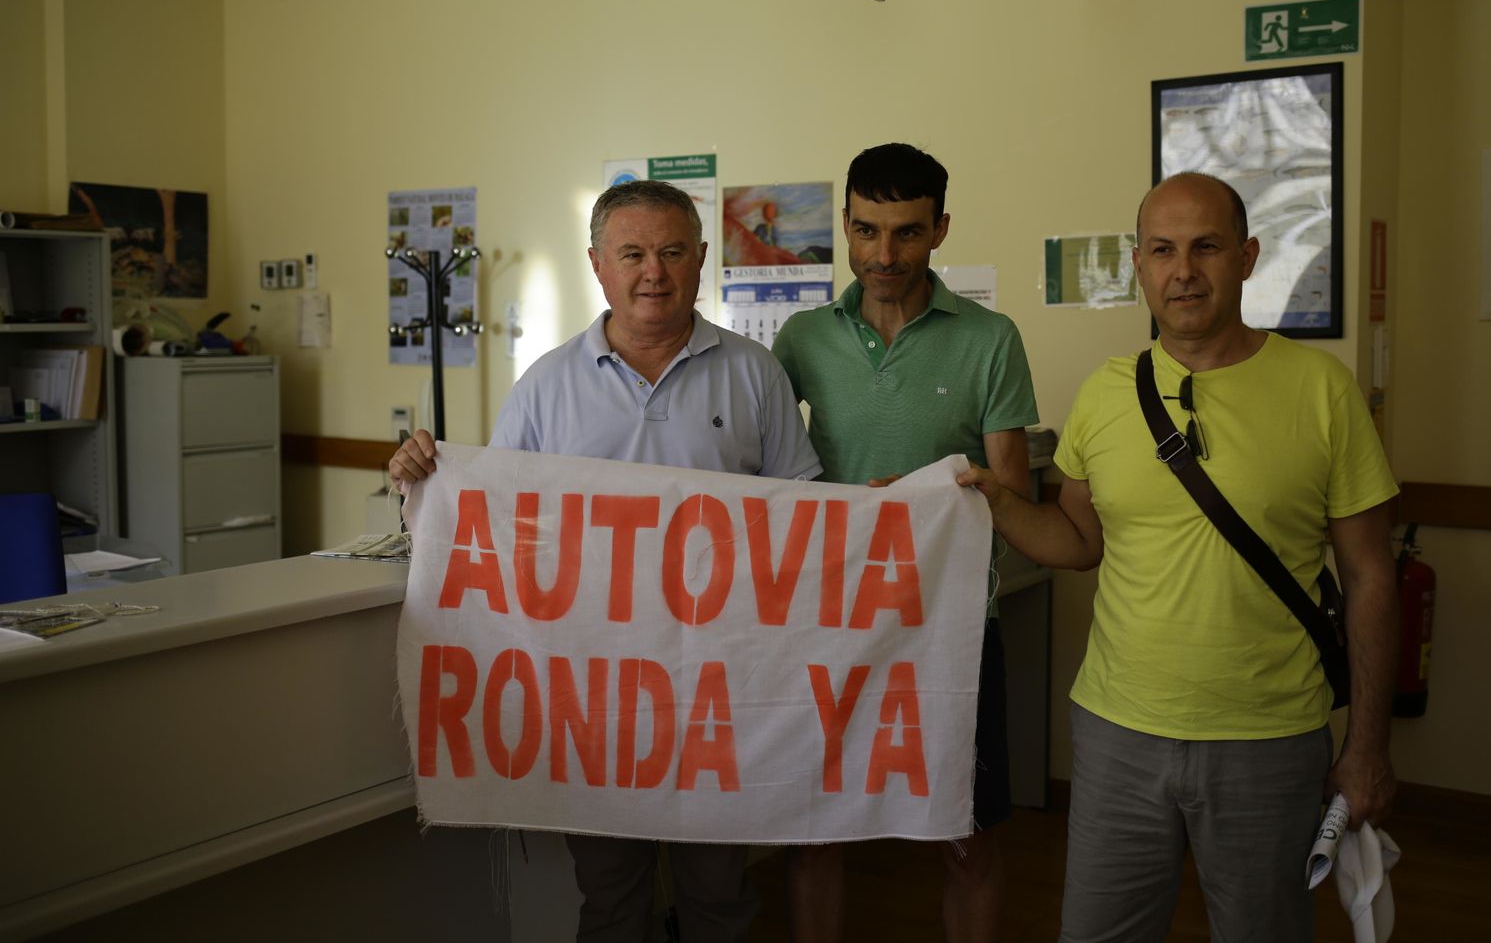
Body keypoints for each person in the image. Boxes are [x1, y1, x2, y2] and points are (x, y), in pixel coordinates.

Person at [959, 171, 1399, 942]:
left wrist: (1366, 748)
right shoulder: (1103, 394)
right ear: (1138, 264)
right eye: (1162, 250)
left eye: (1206, 247)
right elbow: (1079, 543)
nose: (1183, 270)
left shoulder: (1322, 390)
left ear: (1248, 256)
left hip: (1269, 739)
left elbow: (1370, 574)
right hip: (1116, 733)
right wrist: (994, 501)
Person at [389, 179, 822, 943]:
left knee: (721, 894)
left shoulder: (755, 375)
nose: (652, 271)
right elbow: (496, 528)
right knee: (612, 899)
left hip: (719, 696)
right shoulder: (544, 388)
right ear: (597, 264)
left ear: (700, 259)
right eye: (632, 254)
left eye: (670, 252)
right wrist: (423, 485)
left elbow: (806, 521)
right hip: (594, 700)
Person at [772, 143, 1038, 943]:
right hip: (830, 622)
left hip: (951, 627)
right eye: (866, 230)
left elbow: (1015, 495)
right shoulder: (801, 340)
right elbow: (768, 481)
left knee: (966, 839)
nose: (883, 256)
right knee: (816, 835)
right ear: (846, 227)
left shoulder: (990, 338)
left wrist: (934, 499)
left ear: (941, 230)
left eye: (907, 234)